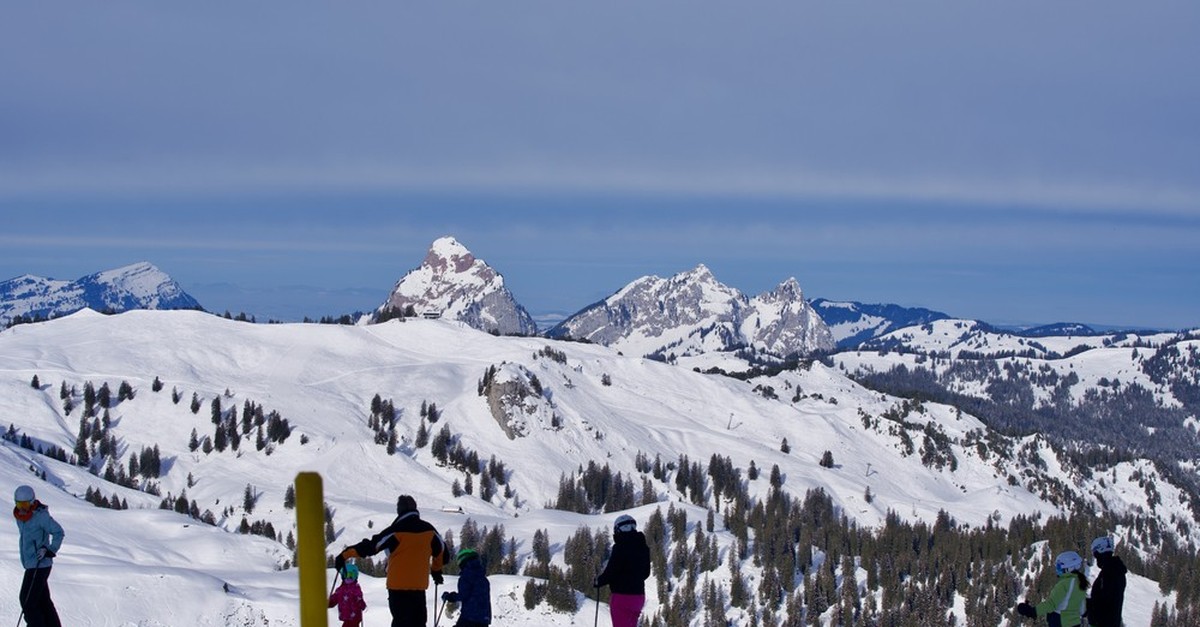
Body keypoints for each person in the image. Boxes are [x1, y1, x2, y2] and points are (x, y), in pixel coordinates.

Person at [336, 495, 446, 627]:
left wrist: (344, 555)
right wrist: (436, 571)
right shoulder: (430, 531)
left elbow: (371, 547)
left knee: (400, 622)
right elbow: (442, 553)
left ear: (399, 510)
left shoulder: (395, 531)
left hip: (397, 588)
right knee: (418, 622)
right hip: (419, 587)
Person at [13, 484, 64, 627]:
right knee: (43, 601)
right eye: (18, 504)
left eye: (24, 504)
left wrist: (50, 549)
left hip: (39, 564)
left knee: (27, 602)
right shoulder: (20, 516)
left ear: (31, 502)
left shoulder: (41, 516)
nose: (21, 508)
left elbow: (59, 532)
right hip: (31, 564)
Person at [594, 514, 651, 627]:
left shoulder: (620, 547)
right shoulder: (643, 547)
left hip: (622, 597)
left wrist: (599, 581)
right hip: (639, 597)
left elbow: (611, 571)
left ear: (618, 530)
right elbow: (646, 573)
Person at [1016, 550, 1088, 627]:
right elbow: (1082, 609)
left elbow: (1051, 604)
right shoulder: (1080, 582)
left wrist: (1032, 611)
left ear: (1069, 568)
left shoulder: (1064, 584)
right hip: (1075, 623)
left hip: (1060, 622)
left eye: (1059, 567)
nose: (1057, 570)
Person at [440, 548, 491, 627]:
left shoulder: (466, 576)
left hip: (469, 617)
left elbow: (463, 595)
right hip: (484, 618)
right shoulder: (483, 578)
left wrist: (450, 596)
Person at [1087, 536, 1127, 627]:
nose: (1096, 558)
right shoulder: (1114, 570)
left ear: (1101, 551)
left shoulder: (1109, 573)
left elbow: (1104, 603)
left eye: (1096, 554)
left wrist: (1087, 606)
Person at [329, 562, 367, 627]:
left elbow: (359, 598)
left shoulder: (356, 588)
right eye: (346, 575)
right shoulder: (340, 589)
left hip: (354, 618)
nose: (348, 577)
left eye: (351, 575)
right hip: (347, 617)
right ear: (342, 576)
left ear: (356, 576)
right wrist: (328, 603)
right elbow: (334, 599)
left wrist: (362, 604)